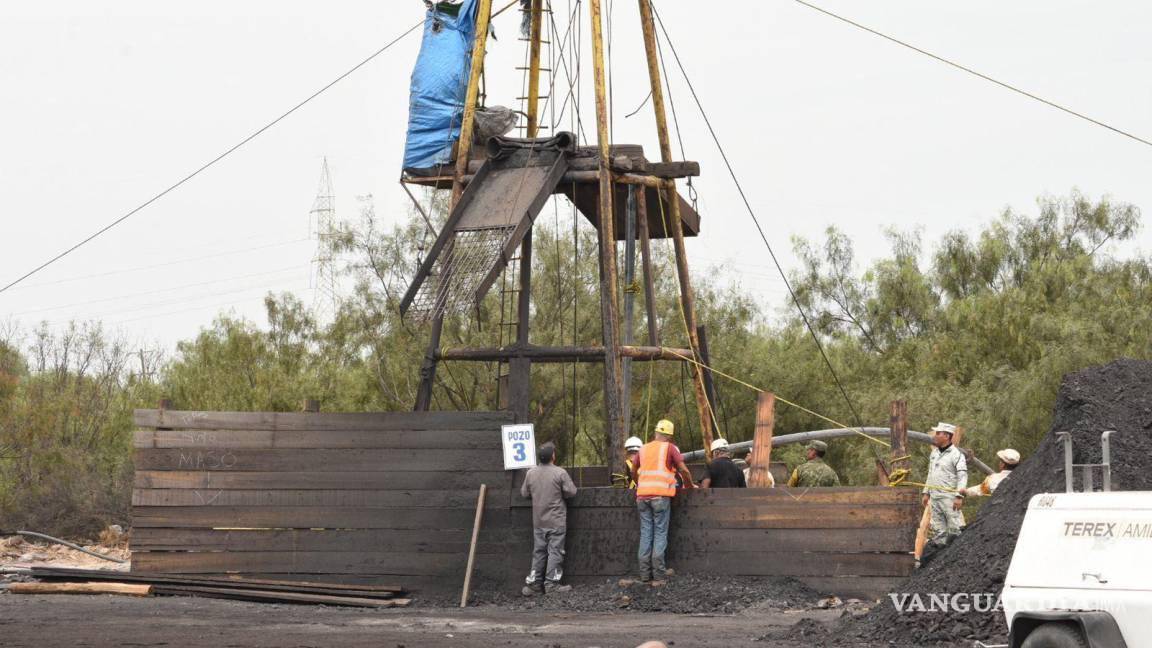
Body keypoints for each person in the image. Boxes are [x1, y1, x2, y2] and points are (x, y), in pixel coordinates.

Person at [630, 419, 697, 582]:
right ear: (669, 436)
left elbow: (633, 469)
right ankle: (659, 573)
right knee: (660, 532)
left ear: (656, 433)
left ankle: (645, 574)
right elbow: (683, 469)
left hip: (642, 496)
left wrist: (641, 484)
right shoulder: (670, 448)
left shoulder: (643, 449)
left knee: (646, 533)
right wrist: (689, 485)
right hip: (660, 497)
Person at [520, 442, 578, 595]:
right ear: (553, 456)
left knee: (539, 552)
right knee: (555, 552)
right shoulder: (560, 473)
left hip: (538, 521)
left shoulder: (530, 473)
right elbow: (571, 492)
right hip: (556, 521)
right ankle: (552, 585)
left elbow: (524, 493)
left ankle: (534, 586)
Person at [922, 422, 967, 547]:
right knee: (938, 531)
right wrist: (926, 492)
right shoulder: (934, 453)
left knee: (954, 529)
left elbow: (962, 477)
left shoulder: (957, 455)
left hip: (949, 498)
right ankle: (940, 556)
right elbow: (930, 474)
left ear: (947, 436)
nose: (935, 436)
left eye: (938, 433)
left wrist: (959, 496)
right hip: (935, 498)